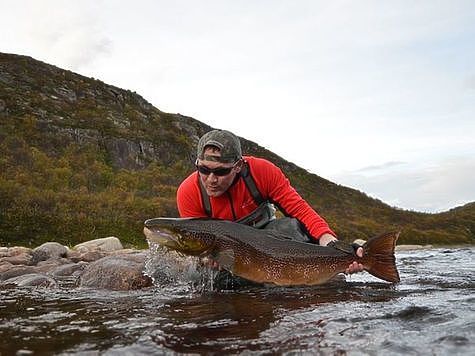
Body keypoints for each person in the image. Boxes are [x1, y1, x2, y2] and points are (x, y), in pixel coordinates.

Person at [177, 129, 363, 276]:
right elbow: (196, 243)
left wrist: (330, 242)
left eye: (221, 172)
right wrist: (206, 259)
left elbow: (300, 211)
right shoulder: (188, 192)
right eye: (203, 169)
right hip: (228, 252)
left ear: (238, 166)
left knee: (291, 227)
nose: (211, 179)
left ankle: (349, 255)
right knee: (202, 275)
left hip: (270, 241)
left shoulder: (263, 171)